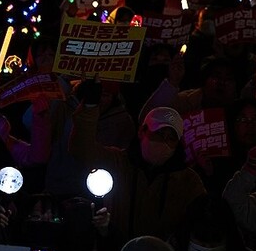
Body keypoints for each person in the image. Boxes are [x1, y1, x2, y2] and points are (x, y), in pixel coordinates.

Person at [69, 83, 206, 242]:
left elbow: (201, 217)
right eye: (159, 134)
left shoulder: (188, 181)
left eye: (171, 138)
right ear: (142, 131)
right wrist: (89, 108)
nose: (164, 141)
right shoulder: (117, 162)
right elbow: (82, 149)